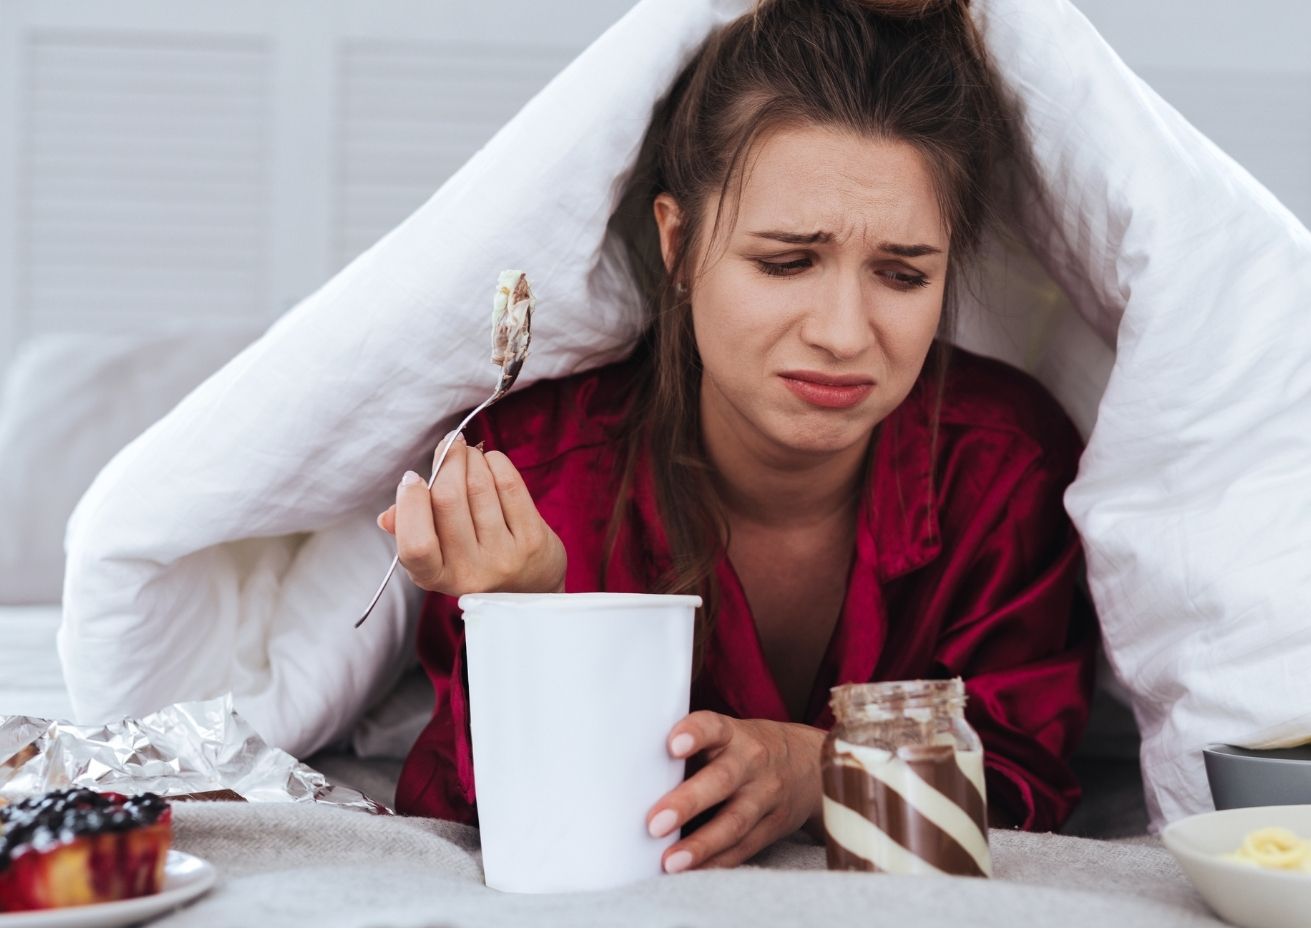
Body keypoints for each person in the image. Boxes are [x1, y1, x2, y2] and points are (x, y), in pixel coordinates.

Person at [378, 0, 1096, 871]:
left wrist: (824, 770)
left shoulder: (1001, 464)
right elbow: (459, 807)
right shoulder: (535, 471)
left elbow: (1030, 776)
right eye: (785, 262)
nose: (841, 332)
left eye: (902, 275)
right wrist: (526, 619)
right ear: (677, 244)